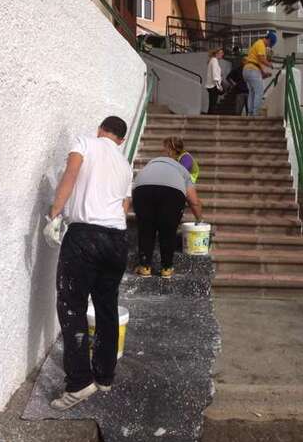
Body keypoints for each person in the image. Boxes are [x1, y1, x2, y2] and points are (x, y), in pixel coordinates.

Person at [46, 116, 133, 411]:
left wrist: (54, 214)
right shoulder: (125, 165)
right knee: (107, 307)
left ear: (100, 130)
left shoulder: (85, 143)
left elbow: (70, 175)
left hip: (85, 236)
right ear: (121, 140)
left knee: (72, 307)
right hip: (117, 239)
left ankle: (79, 383)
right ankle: (105, 376)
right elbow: (124, 206)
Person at [132, 140, 204, 278]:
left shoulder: (150, 165)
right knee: (168, 229)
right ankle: (166, 268)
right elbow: (194, 201)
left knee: (146, 228)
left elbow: (136, 186)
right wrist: (199, 219)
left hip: (142, 190)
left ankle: (144, 267)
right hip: (172, 193)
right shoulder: (182, 170)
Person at [242, 30, 277, 116]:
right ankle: (255, 113)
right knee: (259, 92)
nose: (268, 46)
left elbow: (257, 63)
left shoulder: (257, 44)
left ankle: (250, 113)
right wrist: (270, 65)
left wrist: (264, 74)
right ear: (269, 40)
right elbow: (261, 59)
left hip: (247, 70)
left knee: (252, 92)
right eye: (270, 44)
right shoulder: (261, 44)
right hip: (252, 70)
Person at [206, 47, 224, 115]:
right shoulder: (214, 61)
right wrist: (219, 86)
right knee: (213, 105)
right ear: (216, 54)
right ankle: (210, 119)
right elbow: (215, 75)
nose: (222, 54)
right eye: (221, 53)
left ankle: (209, 118)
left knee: (212, 105)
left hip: (211, 86)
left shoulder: (212, 60)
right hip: (213, 86)